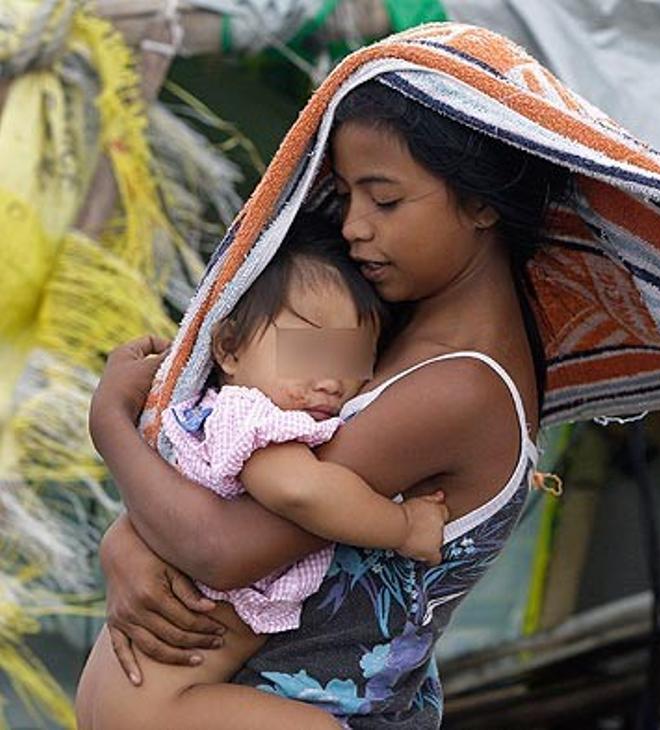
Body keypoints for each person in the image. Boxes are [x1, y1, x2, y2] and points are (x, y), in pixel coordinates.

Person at [83, 79, 570, 728]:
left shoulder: (456, 387)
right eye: (345, 196)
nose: (354, 226)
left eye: (386, 199)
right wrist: (124, 544)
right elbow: (225, 466)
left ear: (480, 204)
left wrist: (110, 424)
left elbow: (220, 548)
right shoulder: (382, 330)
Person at [75, 219, 453, 728]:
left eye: (352, 362)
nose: (329, 382)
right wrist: (404, 526)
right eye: (308, 350)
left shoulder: (206, 421)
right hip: (162, 704)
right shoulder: (253, 418)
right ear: (228, 349)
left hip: (116, 694)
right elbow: (301, 491)